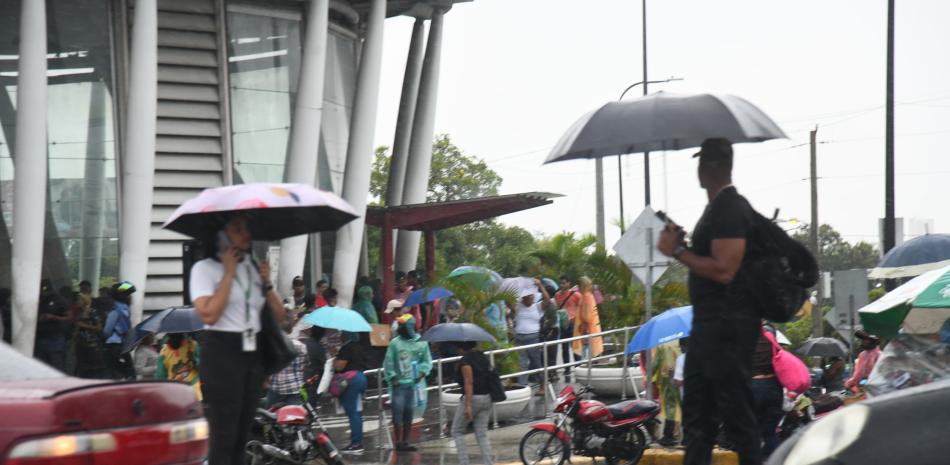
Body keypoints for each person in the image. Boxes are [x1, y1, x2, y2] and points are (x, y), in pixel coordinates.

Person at [656, 138, 763, 465]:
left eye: (702, 163)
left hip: (725, 329)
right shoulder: (718, 208)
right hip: (712, 327)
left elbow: (725, 269)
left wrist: (677, 251)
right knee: (698, 420)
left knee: (736, 418)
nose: (698, 170)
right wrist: (686, 245)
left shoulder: (730, 207)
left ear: (712, 167)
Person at [190, 215, 286, 465]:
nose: (246, 234)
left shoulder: (252, 267)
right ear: (220, 235)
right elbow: (208, 314)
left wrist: (266, 284)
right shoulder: (204, 269)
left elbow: (279, 315)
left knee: (244, 434)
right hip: (222, 351)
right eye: (238, 229)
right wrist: (228, 273)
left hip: (251, 353)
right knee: (224, 435)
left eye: (246, 228)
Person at [384, 314, 432, 452]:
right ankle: (398, 441)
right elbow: (388, 362)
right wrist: (393, 378)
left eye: (402, 326)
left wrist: (421, 373)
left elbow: (426, 360)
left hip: (414, 385)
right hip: (398, 385)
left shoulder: (421, 342)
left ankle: (405, 441)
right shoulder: (395, 343)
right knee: (397, 413)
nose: (399, 328)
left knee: (409, 413)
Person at [452, 341, 495, 465]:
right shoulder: (482, 356)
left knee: (457, 430)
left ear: (461, 347)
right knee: (481, 434)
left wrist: (468, 406)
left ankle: (464, 462)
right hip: (487, 397)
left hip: (473, 398)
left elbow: (469, 382)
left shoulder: (465, 362)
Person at [750, 325, 783, 457]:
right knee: (770, 432)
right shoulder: (771, 337)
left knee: (752, 431)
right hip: (774, 386)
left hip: (754, 386)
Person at [335, 331, 369, 454]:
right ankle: (358, 441)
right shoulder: (359, 346)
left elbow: (339, 366)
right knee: (357, 412)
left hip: (351, 381)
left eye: (342, 333)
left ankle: (356, 444)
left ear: (347, 335)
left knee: (352, 412)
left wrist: (335, 359)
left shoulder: (346, 348)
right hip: (361, 378)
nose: (340, 335)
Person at [512, 278, 551, 386]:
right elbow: (508, 302)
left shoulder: (537, 307)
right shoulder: (518, 306)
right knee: (522, 363)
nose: (531, 298)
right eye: (528, 296)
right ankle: (523, 386)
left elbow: (547, 299)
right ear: (523, 298)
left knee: (536, 363)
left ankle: (543, 385)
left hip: (533, 338)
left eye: (532, 296)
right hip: (519, 338)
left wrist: (540, 286)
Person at [102, 281, 137, 379]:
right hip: (123, 345)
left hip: (113, 346)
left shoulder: (114, 311)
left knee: (115, 373)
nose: (131, 297)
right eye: (129, 295)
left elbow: (106, 331)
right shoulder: (126, 310)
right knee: (129, 371)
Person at [35, 279, 70, 371]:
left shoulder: (59, 300)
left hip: (55, 338)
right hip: (40, 338)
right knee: (41, 366)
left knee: (56, 366)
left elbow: (69, 317)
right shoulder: (37, 299)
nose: (43, 293)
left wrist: (53, 317)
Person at [653, 340, 683, 447]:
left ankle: (668, 436)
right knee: (684, 406)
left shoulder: (662, 345)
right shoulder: (684, 341)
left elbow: (655, 364)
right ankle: (685, 437)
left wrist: (649, 376)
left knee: (670, 408)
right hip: (684, 377)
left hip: (668, 378)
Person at [156, 333, 202, 400]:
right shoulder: (164, 352)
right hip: (176, 390)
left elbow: (204, 366)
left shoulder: (192, 345)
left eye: (178, 336)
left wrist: (194, 360)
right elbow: (161, 376)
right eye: (173, 336)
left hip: (193, 387)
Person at [555, 276, 581, 377]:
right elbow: (558, 307)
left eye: (564, 283)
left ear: (569, 283)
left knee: (575, 347)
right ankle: (567, 369)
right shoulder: (557, 295)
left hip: (573, 324)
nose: (562, 285)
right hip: (562, 324)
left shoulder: (576, 295)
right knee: (564, 347)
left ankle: (578, 367)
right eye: (560, 283)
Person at [571, 277, 603, 359]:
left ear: (583, 286)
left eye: (579, 285)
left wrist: (584, 331)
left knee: (585, 355)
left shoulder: (586, 297)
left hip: (586, 330)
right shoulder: (589, 295)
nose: (578, 288)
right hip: (589, 329)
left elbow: (587, 317)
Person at [300, 326, 327, 406]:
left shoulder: (304, 344)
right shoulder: (318, 347)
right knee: (310, 408)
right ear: (322, 334)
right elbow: (324, 364)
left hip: (302, 379)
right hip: (313, 381)